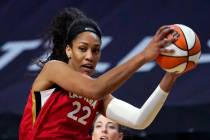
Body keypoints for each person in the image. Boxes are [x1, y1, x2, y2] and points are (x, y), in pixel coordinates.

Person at [19, 7, 181, 140]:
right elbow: (95, 89)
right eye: (82, 49)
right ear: (68, 50)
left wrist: (171, 75)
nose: (89, 56)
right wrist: (143, 56)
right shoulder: (54, 69)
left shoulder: (99, 95)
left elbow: (139, 120)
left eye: (95, 50)